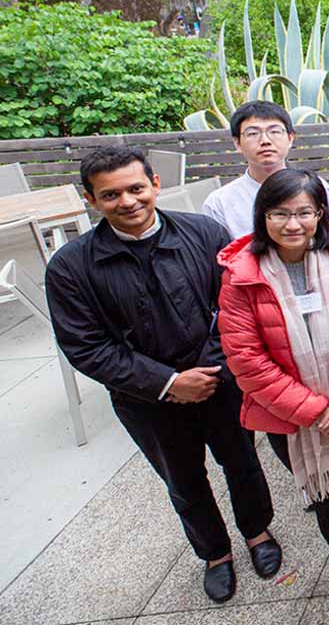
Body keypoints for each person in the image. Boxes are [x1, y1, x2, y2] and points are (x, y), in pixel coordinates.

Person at [47, 146, 280, 604]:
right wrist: (169, 383)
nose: (128, 202)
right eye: (110, 195)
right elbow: (86, 346)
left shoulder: (205, 233)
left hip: (221, 382)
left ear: (155, 183)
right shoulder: (72, 267)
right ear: (90, 200)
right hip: (145, 399)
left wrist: (211, 371)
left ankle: (257, 531)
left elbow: (237, 309)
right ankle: (215, 553)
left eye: (136, 188)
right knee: (183, 478)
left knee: (243, 463)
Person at [217, 169, 329, 623]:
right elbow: (246, 359)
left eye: (304, 212)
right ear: (263, 216)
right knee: (326, 496)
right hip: (290, 417)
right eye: (281, 213)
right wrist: (318, 410)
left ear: (320, 214)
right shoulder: (241, 275)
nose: (293, 223)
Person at [202, 100, 329, 239]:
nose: (265, 140)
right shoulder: (219, 202)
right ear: (237, 143)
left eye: (274, 131)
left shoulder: (317, 187)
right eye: (253, 133)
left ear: (290, 138)